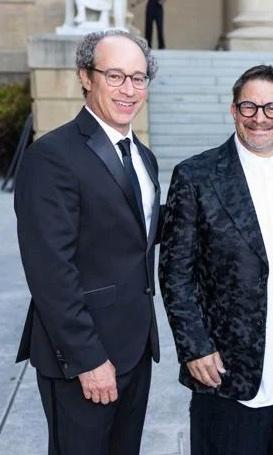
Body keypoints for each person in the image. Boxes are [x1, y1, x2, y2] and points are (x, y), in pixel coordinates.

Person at [159, 65, 273, 455]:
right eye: (249, 106)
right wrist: (195, 346)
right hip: (225, 373)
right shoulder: (196, 175)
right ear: (233, 110)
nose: (260, 117)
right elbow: (175, 273)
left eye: (272, 108)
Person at [14, 30, 161, 454]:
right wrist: (89, 360)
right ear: (85, 76)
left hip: (134, 348)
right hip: (83, 357)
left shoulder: (142, 155)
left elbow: (133, 233)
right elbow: (50, 272)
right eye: (115, 76)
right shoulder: (52, 156)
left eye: (138, 77)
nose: (129, 89)